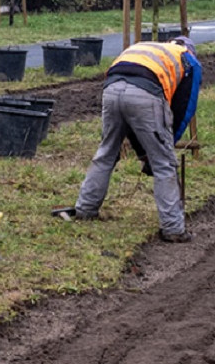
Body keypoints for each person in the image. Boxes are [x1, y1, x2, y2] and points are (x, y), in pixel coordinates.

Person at [63, 36, 202, 243]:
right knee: (164, 164)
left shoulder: (146, 48)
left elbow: (130, 118)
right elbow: (183, 109)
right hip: (145, 93)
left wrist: (143, 151)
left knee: (106, 153)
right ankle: (173, 228)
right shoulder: (189, 60)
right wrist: (164, 146)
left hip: (111, 90)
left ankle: (85, 209)